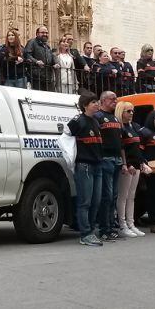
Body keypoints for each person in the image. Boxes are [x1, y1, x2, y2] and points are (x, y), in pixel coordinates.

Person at [67, 93, 103, 246]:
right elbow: (66, 138)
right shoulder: (78, 121)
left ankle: (90, 230)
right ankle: (85, 234)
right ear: (85, 105)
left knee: (96, 201)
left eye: (97, 102)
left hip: (97, 165)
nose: (97, 104)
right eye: (93, 102)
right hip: (84, 165)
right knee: (85, 201)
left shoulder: (95, 121)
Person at [116, 101, 149, 237]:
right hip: (127, 166)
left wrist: (141, 162)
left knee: (132, 196)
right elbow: (122, 148)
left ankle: (131, 223)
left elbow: (138, 148)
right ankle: (122, 225)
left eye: (132, 111)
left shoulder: (134, 127)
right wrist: (127, 163)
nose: (131, 114)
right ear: (121, 112)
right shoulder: (120, 128)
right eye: (128, 111)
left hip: (136, 165)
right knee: (123, 196)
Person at [94, 91, 123, 242]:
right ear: (103, 100)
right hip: (105, 159)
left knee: (114, 196)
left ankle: (111, 227)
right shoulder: (98, 117)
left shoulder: (115, 118)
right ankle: (104, 228)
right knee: (107, 196)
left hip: (117, 159)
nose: (115, 101)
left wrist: (123, 162)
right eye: (112, 99)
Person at [24, 26, 58, 91]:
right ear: (37, 34)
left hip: (48, 77)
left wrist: (55, 64)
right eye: (42, 32)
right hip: (36, 76)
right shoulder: (32, 42)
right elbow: (27, 55)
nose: (45, 34)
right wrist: (36, 61)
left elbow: (51, 58)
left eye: (46, 33)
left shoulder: (47, 46)